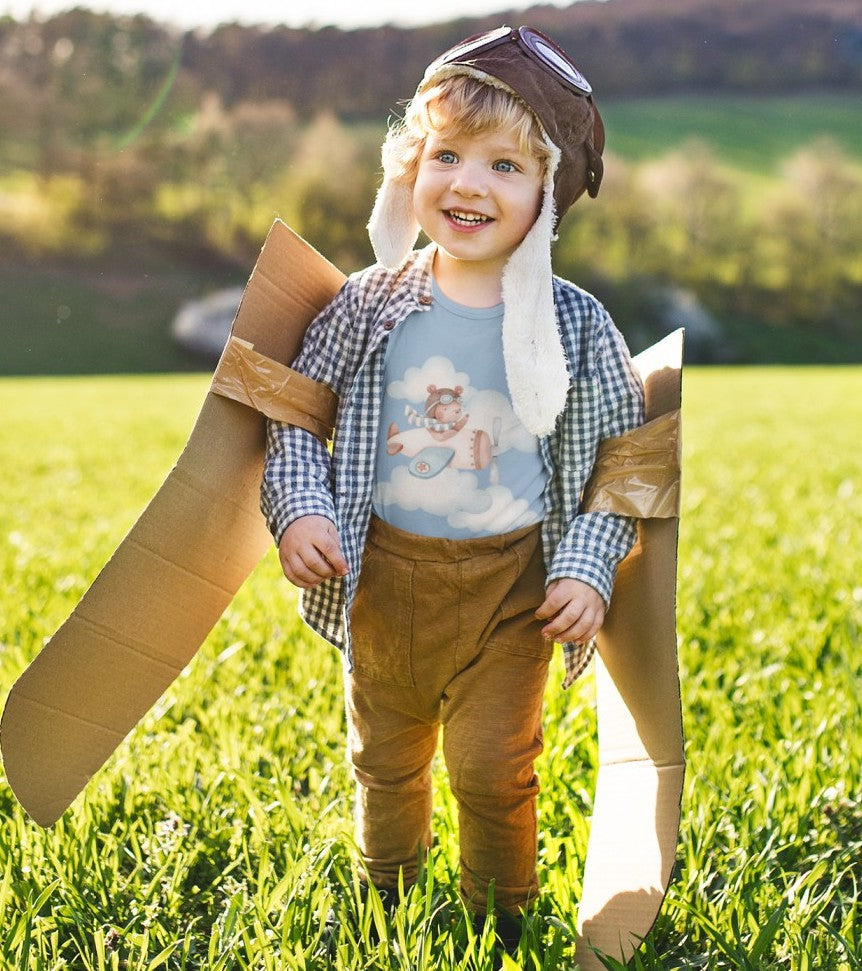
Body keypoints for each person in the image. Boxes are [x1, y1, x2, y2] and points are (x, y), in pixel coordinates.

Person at [260, 24, 644, 949]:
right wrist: (301, 507)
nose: (468, 183)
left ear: (547, 196)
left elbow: (622, 466)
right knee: (384, 760)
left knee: (494, 767)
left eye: (506, 166)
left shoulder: (575, 326)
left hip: (510, 590)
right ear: (410, 167)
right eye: (448, 155)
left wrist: (588, 569)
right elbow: (296, 418)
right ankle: (387, 900)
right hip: (384, 576)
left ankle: (499, 917)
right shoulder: (367, 302)